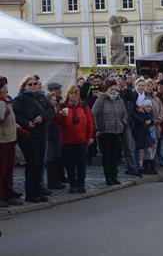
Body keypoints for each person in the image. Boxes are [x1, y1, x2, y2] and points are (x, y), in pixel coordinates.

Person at [14, 75, 55, 203]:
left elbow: (51, 110)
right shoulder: (21, 98)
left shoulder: (41, 97)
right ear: (24, 85)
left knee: (39, 165)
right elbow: (15, 115)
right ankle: (30, 193)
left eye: (35, 84)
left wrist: (42, 117)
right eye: (30, 84)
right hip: (29, 135)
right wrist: (26, 123)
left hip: (41, 134)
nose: (33, 86)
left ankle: (38, 190)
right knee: (32, 165)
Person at [55, 85, 94, 194]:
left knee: (81, 164)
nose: (74, 95)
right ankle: (72, 185)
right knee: (70, 164)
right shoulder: (62, 106)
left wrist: (90, 136)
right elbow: (56, 121)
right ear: (68, 94)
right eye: (72, 93)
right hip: (67, 141)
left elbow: (90, 121)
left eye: (76, 93)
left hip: (81, 140)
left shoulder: (84, 106)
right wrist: (60, 115)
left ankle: (81, 184)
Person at [91, 80, 128, 187]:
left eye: (114, 89)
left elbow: (124, 112)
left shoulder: (119, 100)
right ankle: (108, 176)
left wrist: (123, 123)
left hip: (117, 131)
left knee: (115, 155)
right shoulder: (101, 100)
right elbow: (93, 113)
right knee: (107, 155)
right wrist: (97, 129)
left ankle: (114, 175)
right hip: (105, 132)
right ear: (106, 90)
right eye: (111, 89)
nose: (113, 91)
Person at [0, 77, 21, 207]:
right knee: (1, 169)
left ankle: (8, 193)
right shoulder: (2, 103)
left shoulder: (6, 101)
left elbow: (11, 120)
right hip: (2, 140)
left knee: (8, 169)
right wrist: (6, 107)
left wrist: (19, 128)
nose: (6, 93)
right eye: (4, 91)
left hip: (10, 139)